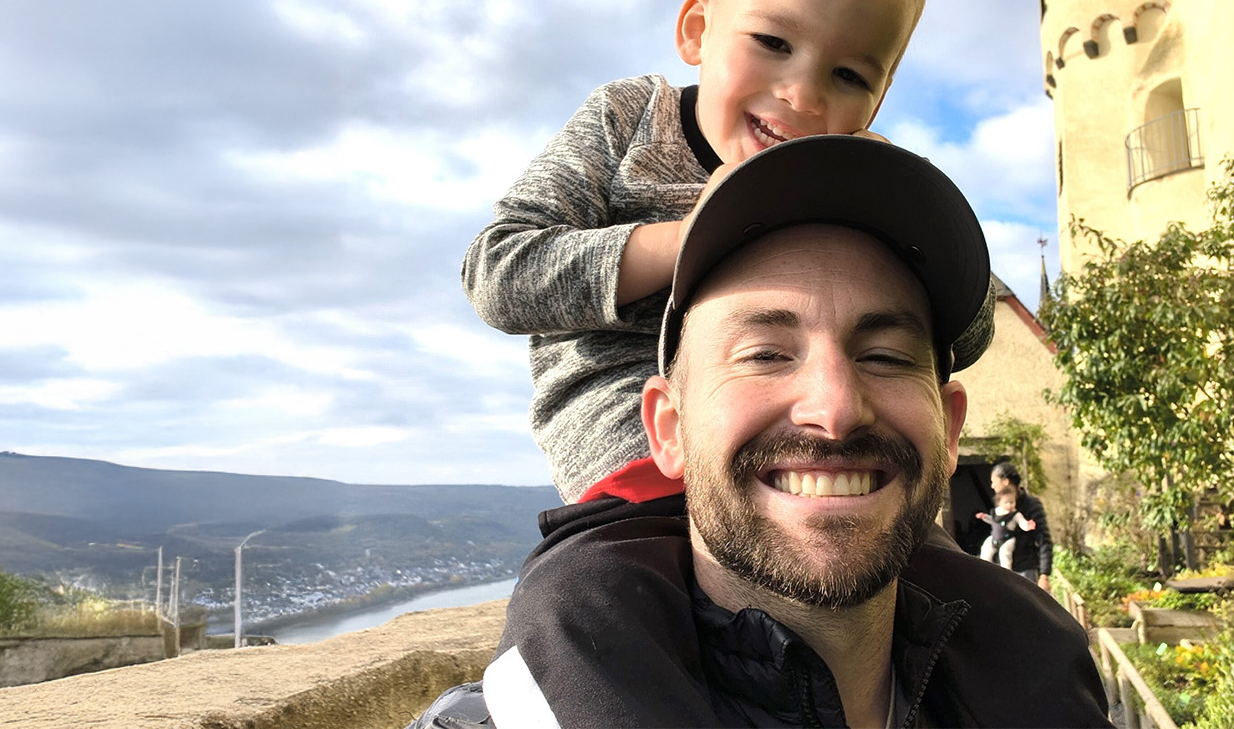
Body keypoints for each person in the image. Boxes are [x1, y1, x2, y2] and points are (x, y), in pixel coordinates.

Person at [424, 136, 1110, 728]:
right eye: (765, 354)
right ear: (669, 429)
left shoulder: (1044, 683)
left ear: (950, 427)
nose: (835, 409)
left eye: (885, 356)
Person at [460, 0, 992, 505]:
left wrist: (906, 212)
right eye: (773, 41)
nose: (802, 94)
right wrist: (692, 236)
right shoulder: (628, 120)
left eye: (849, 76)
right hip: (637, 461)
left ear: (878, 100)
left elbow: (969, 332)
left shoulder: (851, 184)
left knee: (933, 560)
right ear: (697, 29)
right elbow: (499, 274)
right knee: (611, 570)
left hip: (815, 456)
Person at [992, 460, 1055, 589]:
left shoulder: (1031, 505)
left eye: (994, 481)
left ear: (1005, 481)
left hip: (1025, 570)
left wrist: (1044, 575)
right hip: (1003, 569)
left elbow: (1044, 539)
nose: (992, 486)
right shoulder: (999, 506)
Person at [976, 486, 1035, 569]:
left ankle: (1006, 571)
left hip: (1007, 540)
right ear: (999, 502)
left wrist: (1027, 526)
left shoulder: (1016, 514)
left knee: (1004, 554)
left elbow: (1022, 523)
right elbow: (993, 521)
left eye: (1012, 502)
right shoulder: (996, 512)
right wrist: (984, 517)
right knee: (986, 549)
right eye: (1006, 502)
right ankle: (984, 568)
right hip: (994, 538)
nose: (1009, 505)